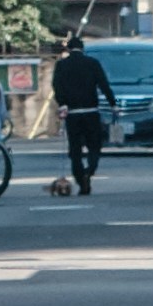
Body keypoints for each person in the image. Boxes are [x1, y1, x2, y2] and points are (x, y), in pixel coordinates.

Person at [50, 32, 112, 195]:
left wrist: (62, 103)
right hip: (91, 111)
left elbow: (56, 86)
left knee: (75, 149)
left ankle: (80, 178)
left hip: (73, 113)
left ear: (69, 49)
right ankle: (89, 172)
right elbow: (104, 84)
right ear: (83, 49)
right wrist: (113, 103)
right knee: (94, 146)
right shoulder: (92, 63)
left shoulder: (62, 65)